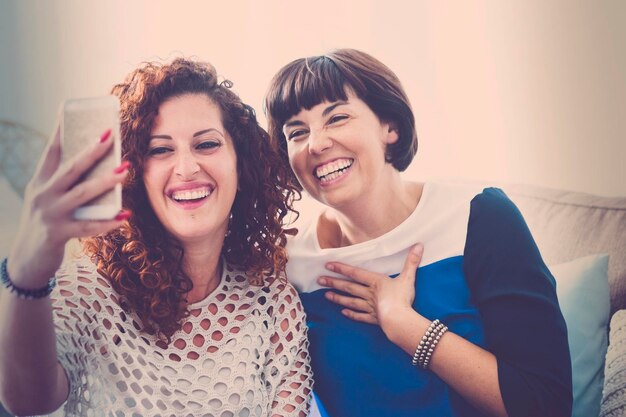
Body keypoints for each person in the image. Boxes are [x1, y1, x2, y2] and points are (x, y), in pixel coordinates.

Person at [264, 49, 572, 417]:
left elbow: (546, 405)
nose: (315, 144)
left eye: (337, 118)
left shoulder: (477, 216)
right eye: (297, 133)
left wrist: (405, 326)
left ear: (389, 127)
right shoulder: (287, 262)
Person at [0, 58, 312, 416]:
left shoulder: (271, 298)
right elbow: (27, 401)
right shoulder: (88, 290)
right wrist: (27, 274)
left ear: (241, 163)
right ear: (133, 173)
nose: (187, 168)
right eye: (160, 150)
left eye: (206, 144)